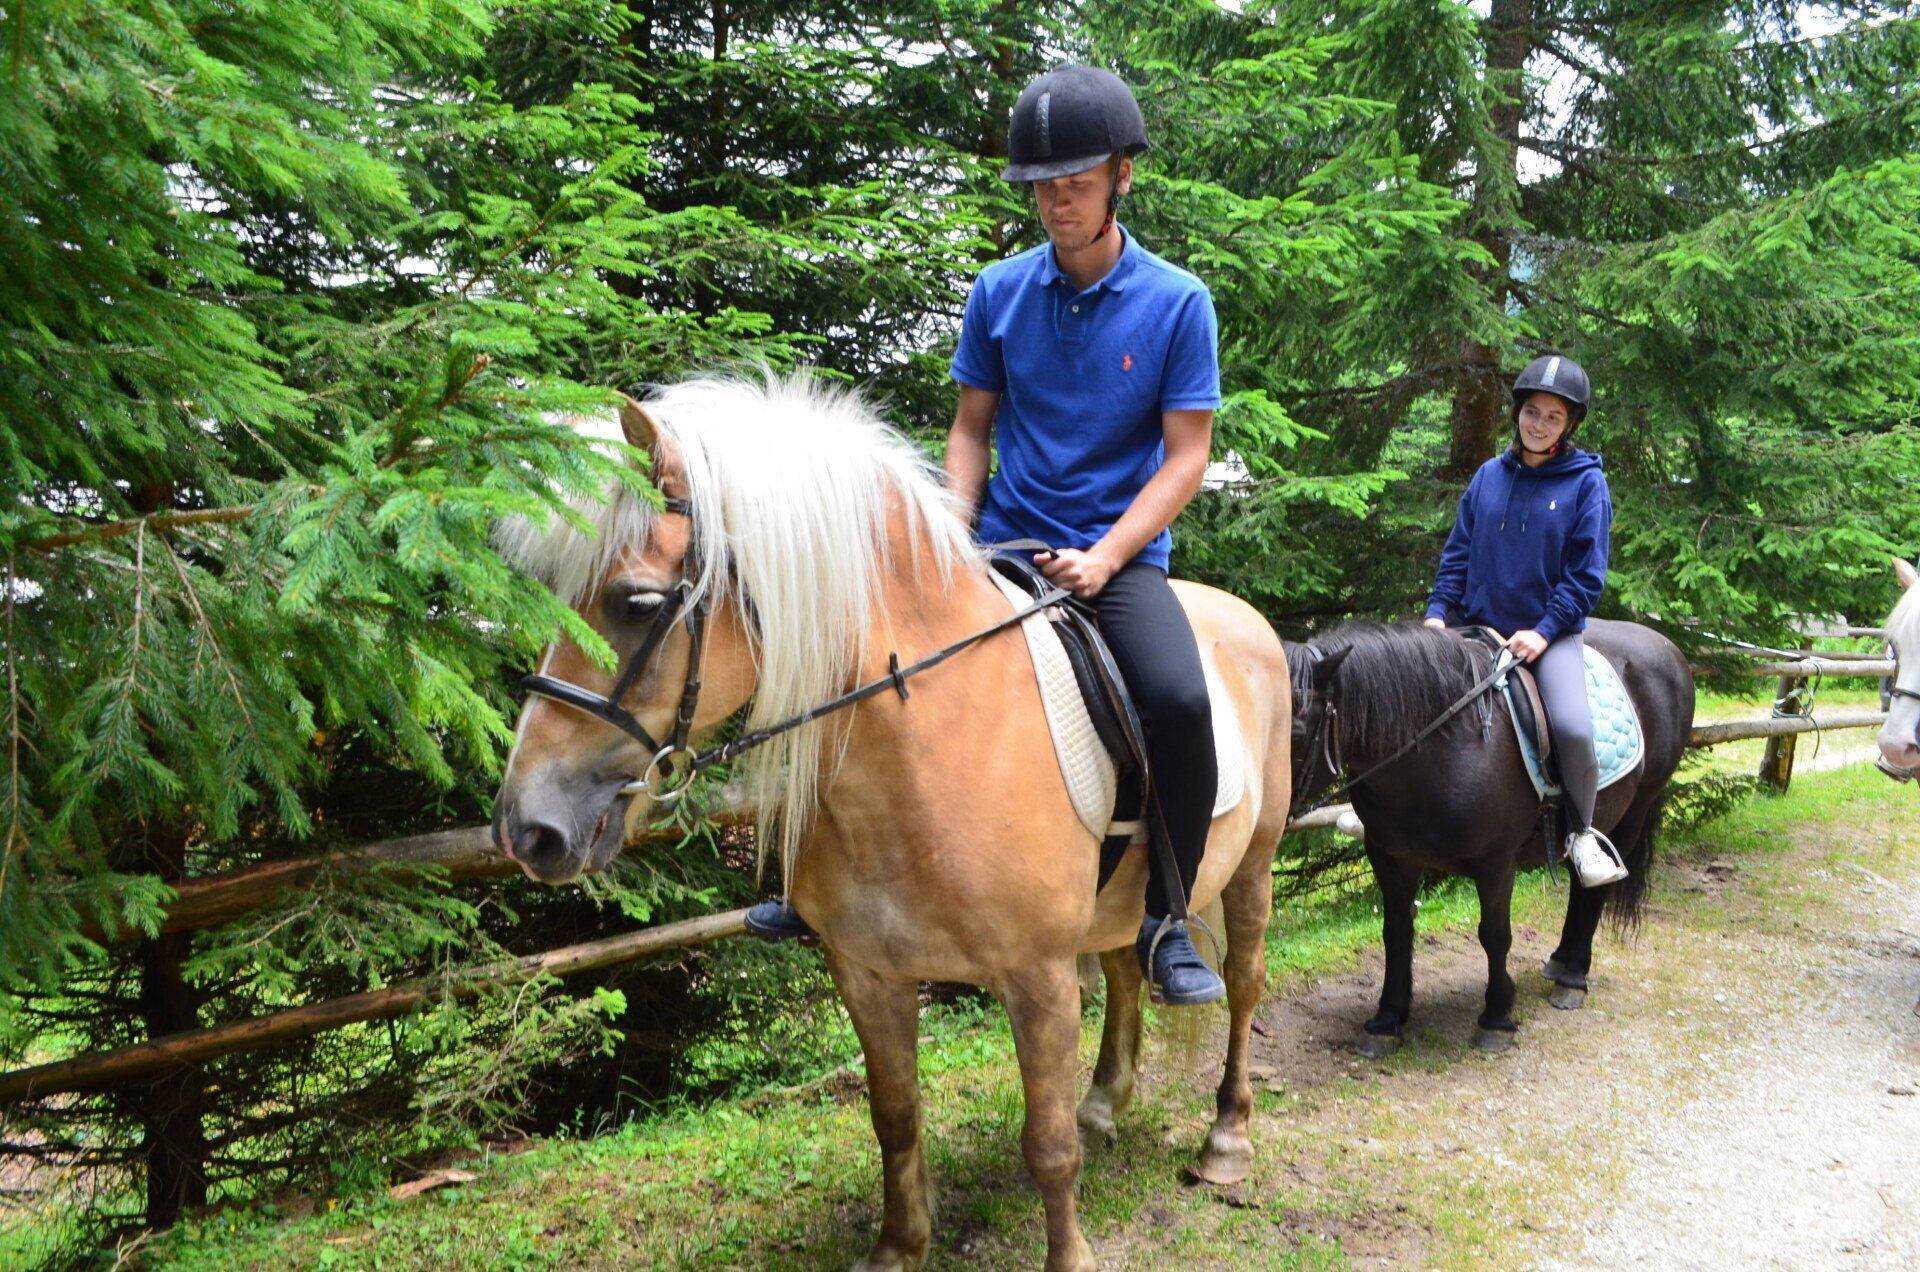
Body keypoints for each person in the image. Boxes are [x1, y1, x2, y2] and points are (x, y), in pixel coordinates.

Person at [749, 65, 1228, 1007]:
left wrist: (1108, 555)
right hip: (1000, 544)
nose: (1056, 202)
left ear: (1122, 177)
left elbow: (1185, 459)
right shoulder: (998, 291)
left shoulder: (1177, 303)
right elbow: (972, 428)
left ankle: (1168, 919)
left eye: (1076, 183)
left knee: (1176, 700)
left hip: (1113, 557)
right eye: (1043, 187)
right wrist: (948, 533)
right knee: (855, 664)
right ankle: (811, 885)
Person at [1423, 354, 1625, 888]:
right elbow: (1458, 552)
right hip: (1475, 625)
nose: (1538, 424)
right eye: (1532, 411)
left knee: (1574, 726)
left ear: (1570, 425)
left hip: (1548, 632)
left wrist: (1543, 630)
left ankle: (1582, 834)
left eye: (1553, 417)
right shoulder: (1490, 475)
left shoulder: (1586, 486)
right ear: (1517, 413)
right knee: (1409, 693)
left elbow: (1586, 576)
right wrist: (1437, 613)